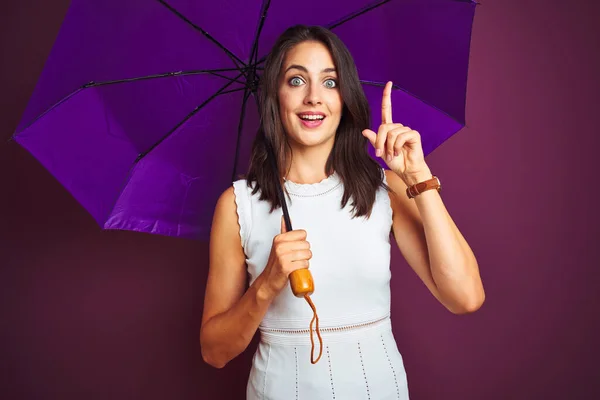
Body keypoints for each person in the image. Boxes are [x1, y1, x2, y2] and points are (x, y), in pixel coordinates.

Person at [200, 25, 485, 399]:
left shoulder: (386, 188)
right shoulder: (238, 204)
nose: (314, 98)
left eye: (330, 82)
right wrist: (267, 283)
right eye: (297, 80)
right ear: (275, 95)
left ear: (345, 97)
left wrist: (419, 177)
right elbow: (214, 352)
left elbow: (465, 297)